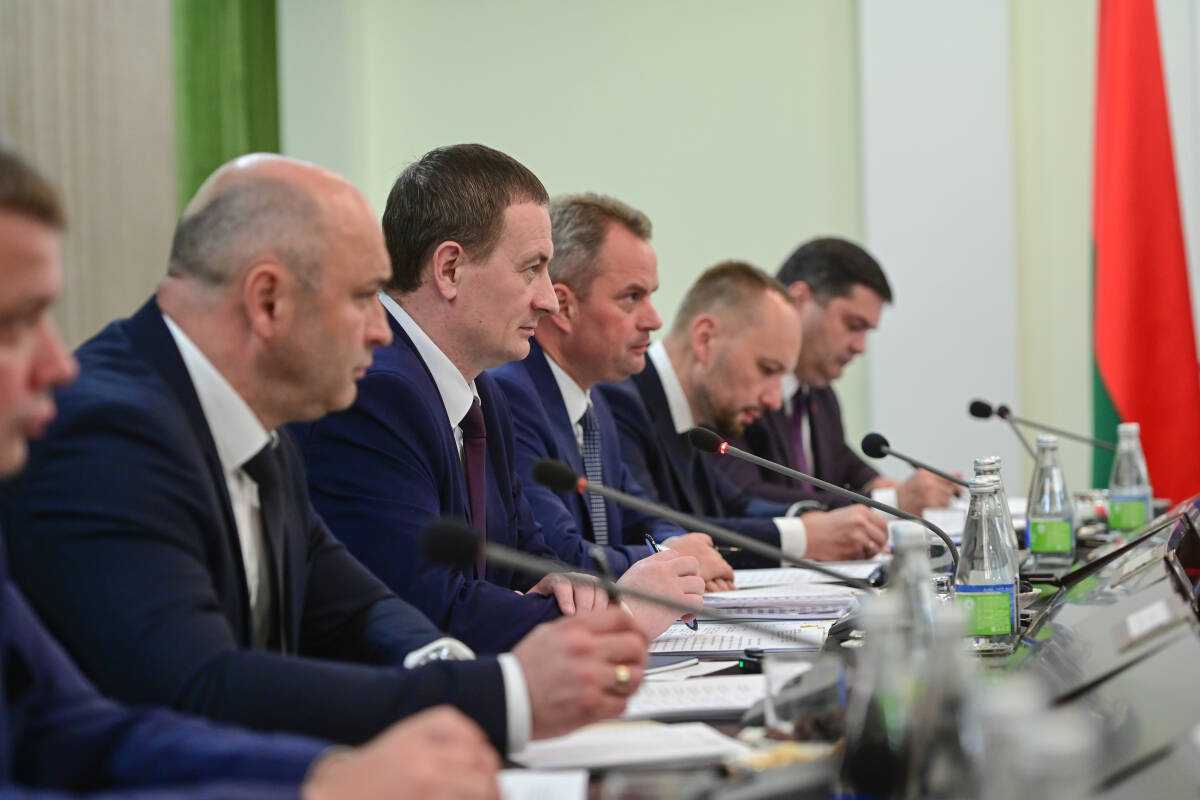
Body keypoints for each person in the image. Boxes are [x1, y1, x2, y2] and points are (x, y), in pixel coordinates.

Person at [0, 152, 649, 759]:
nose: (381, 329)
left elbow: (357, 605)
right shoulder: (110, 429)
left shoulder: (264, 426)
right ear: (268, 302)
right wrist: (501, 695)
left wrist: (442, 665)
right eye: (363, 298)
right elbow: (196, 688)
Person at [295, 145, 703, 654]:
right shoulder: (377, 393)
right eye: (531, 268)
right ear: (449, 269)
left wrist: (570, 591)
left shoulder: (483, 391)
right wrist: (622, 613)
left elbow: (527, 559)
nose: (548, 299)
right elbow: (431, 609)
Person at [489, 193, 734, 591]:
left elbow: (639, 512)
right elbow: (558, 555)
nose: (654, 320)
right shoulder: (510, 395)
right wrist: (671, 560)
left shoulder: (597, 401)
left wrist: (676, 545)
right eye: (632, 297)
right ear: (564, 307)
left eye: (651, 295)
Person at [599, 260, 886, 564]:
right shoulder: (620, 400)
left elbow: (737, 505)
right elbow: (653, 532)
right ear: (705, 340)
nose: (774, 401)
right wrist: (802, 538)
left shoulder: (690, 417)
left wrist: (806, 518)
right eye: (767, 369)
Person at [715, 237, 958, 515]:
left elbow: (843, 462)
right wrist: (888, 502)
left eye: (866, 331)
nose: (860, 347)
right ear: (799, 300)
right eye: (853, 325)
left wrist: (881, 485)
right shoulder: (740, 387)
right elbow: (745, 496)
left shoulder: (820, 395)